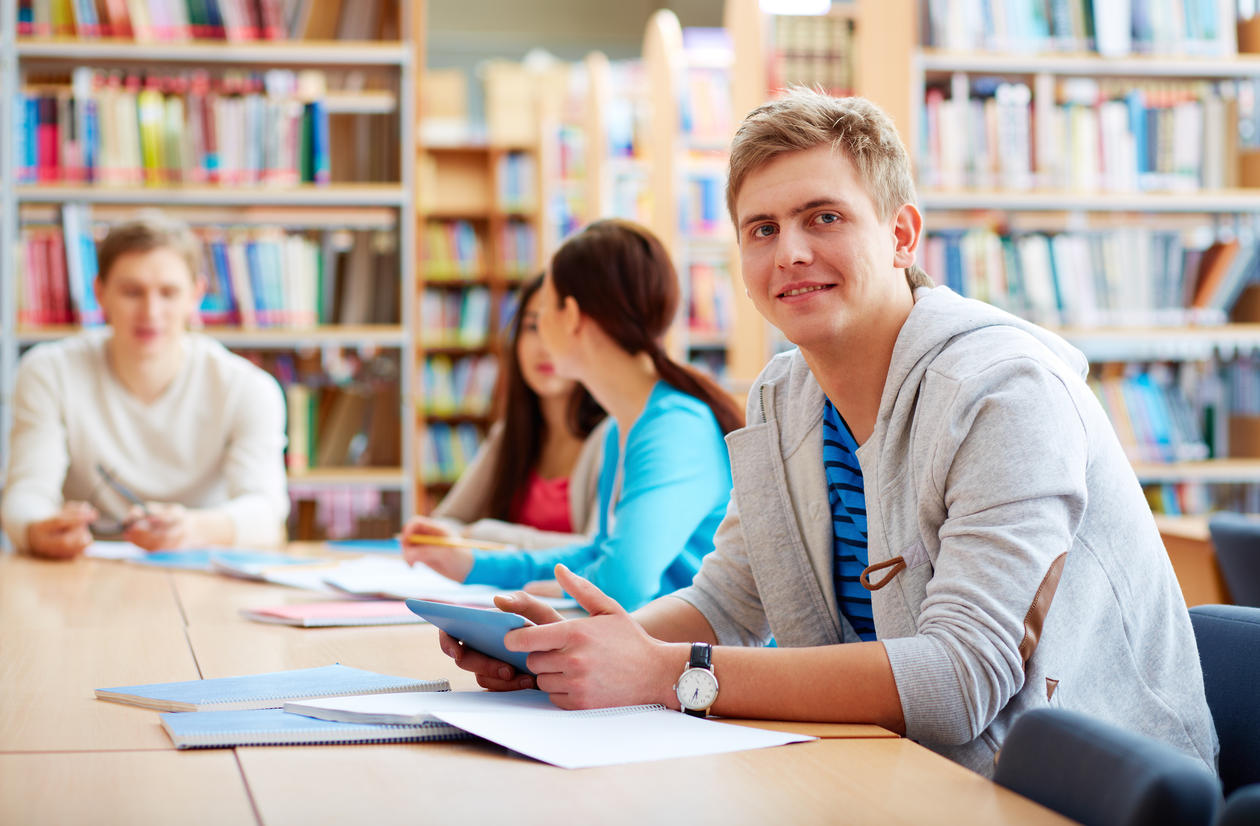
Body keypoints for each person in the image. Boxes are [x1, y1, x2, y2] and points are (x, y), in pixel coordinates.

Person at [438, 91, 1219, 778]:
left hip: (1062, 790)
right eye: (763, 228)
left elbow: (959, 680)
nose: (792, 252)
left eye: (825, 217)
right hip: (888, 768)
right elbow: (727, 601)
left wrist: (668, 675)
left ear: (902, 235)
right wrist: (570, 653)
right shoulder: (785, 395)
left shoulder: (1004, 392)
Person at [403, 219, 741, 610]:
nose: (539, 332)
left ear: (572, 316)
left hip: (704, 662)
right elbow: (597, 554)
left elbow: (623, 584)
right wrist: (470, 564)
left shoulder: (675, 427)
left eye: (543, 313)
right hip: (658, 647)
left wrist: (553, 591)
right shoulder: (625, 424)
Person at [2, 215, 289, 557]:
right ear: (100, 293)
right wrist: (38, 530)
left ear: (195, 295)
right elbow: (26, 494)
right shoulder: (49, 371)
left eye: (168, 293)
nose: (151, 312)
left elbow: (267, 511)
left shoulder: (247, 388)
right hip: (83, 569)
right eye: (132, 292)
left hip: (201, 567)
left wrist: (193, 528)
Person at [407, 274, 611, 551]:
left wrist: (482, 536)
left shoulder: (612, 436)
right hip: (501, 593)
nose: (545, 346)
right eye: (531, 327)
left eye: (559, 328)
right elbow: (448, 522)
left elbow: (595, 550)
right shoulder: (512, 432)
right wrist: (438, 534)